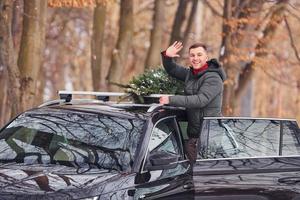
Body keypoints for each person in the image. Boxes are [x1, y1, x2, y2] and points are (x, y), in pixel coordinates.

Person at [159, 41, 226, 163]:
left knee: (202, 177)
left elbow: (200, 100)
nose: (195, 58)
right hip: (195, 137)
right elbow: (173, 70)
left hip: (209, 138)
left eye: (199, 55)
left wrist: (171, 99)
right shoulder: (191, 74)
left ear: (206, 57)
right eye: (192, 55)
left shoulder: (213, 78)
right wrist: (167, 56)